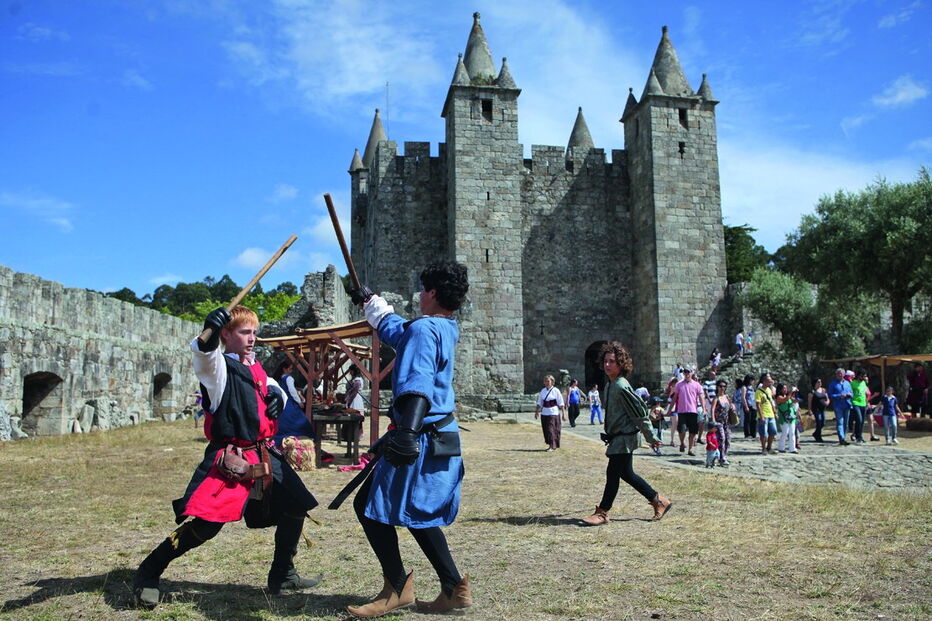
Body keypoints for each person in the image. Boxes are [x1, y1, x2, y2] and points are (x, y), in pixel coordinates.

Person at [133, 306, 321, 608]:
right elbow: (204, 356)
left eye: (254, 332)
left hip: (264, 455)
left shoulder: (256, 368)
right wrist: (208, 330)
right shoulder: (219, 369)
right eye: (244, 332)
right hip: (232, 458)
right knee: (206, 525)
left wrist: (277, 399)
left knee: (296, 505)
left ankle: (283, 574)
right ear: (226, 334)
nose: (252, 339)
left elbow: (274, 389)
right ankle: (149, 571)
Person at [347, 261, 472, 616]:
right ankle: (453, 587)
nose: (419, 295)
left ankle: (398, 587)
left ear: (431, 293)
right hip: (438, 434)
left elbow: (417, 382)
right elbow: (398, 330)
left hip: (420, 434)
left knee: (369, 507)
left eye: (422, 289)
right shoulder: (444, 327)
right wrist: (371, 302)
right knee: (416, 510)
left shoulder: (424, 331)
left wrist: (406, 433)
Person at [581, 341, 671, 525]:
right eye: (605, 361)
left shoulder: (621, 386)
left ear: (621, 364)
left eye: (612, 361)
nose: (607, 365)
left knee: (613, 473)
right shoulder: (610, 385)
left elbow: (639, 414)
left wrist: (651, 437)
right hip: (617, 437)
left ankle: (603, 512)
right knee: (627, 473)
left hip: (625, 438)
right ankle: (659, 501)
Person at [670, 366, 706, 456]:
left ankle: (690, 449)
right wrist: (670, 409)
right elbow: (674, 398)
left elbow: (702, 398)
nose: (687, 374)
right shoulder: (679, 384)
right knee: (681, 430)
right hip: (682, 411)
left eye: (688, 372)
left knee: (693, 431)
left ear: (692, 373)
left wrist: (704, 409)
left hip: (693, 411)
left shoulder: (697, 385)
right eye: (685, 372)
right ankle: (682, 443)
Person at [535, 374, 566, 451]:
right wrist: (536, 412)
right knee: (546, 429)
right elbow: (539, 402)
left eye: (548, 381)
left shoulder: (556, 391)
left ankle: (552, 446)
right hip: (545, 412)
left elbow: (561, 402)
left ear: (552, 382)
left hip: (553, 413)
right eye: (545, 381)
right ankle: (551, 444)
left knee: (551, 429)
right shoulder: (543, 391)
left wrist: (563, 414)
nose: (547, 382)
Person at [709, 379, 733, 465]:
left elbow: (731, 406)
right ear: (717, 387)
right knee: (721, 439)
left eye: (724, 386)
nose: (722, 388)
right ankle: (721, 458)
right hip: (719, 422)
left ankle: (723, 455)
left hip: (727, 422)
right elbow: (712, 409)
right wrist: (713, 421)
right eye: (720, 386)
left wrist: (732, 407)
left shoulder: (727, 397)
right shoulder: (716, 398)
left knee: (728, 439)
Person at [828, 368, 853, 446]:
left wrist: (849, 395)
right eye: (838, 373)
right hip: (838, 405)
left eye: (841, 373)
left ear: (844, 374)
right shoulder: (833, 384)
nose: (840, 375)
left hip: (847, 404)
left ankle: (844, 438)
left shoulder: (847, 383)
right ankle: (841, 438)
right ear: (836, 375)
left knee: (846, 423)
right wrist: (839, 396)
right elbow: (830, 395)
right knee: (840, 422)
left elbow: (852, 393)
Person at [755, 373, 778, 454]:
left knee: (773, 432)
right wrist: (761, 416)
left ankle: (769, 447)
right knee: (763, 433)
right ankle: (763, 448)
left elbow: (771, 402)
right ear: (764, 381)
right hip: (763, 414)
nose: (770, 382)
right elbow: (758, 404)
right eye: (769, 380)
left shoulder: (769, 390)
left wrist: (775, 412)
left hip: (770, 414)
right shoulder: (758, 391)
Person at [775, 383, 799, 453]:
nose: (785, 390)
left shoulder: (788, 396)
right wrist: (791, 392)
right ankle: (781, 447)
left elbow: (794, 400)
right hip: (783, 417)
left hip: (791, 416)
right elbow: (785, 399)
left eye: (786, 388)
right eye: (783, 388)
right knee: (785, 432)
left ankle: (792, 448)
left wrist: (796, 393)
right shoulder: (779, 397)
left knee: (792, 433)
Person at [849, 370, 868, 444]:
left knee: (862, 421)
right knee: (859, 420)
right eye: (863, 376)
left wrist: (867, 402)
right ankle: (857, 436)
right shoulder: (853, 383)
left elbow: (865, 393)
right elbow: (850, 393)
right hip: (855, 403)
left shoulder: (863, 383)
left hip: (863, 403)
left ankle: (860, 436)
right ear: (859, 375)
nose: (864, 378)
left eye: (865, 376)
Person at [808, 378, 829, 442]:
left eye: (820, 382)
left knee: (823, 422)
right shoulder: (812, 392)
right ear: (815, 383)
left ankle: (816, 433)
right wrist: (810, 410)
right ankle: (818, 436)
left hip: (822, 409)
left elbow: (827, 398)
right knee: (819, 421)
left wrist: (827, 402)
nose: (820, 383)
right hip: (816, 409)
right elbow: (810, 402)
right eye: (818, 382)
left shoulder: (823, 390)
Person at [741, 373, 757, 439]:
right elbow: (743, 397)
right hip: (748, 405)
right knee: (747, 420)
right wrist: (746, 406)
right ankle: (747, 434)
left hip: (753, 405)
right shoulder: (744, 387)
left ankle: (753, 433)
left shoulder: (752, 388)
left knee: (753, 420)